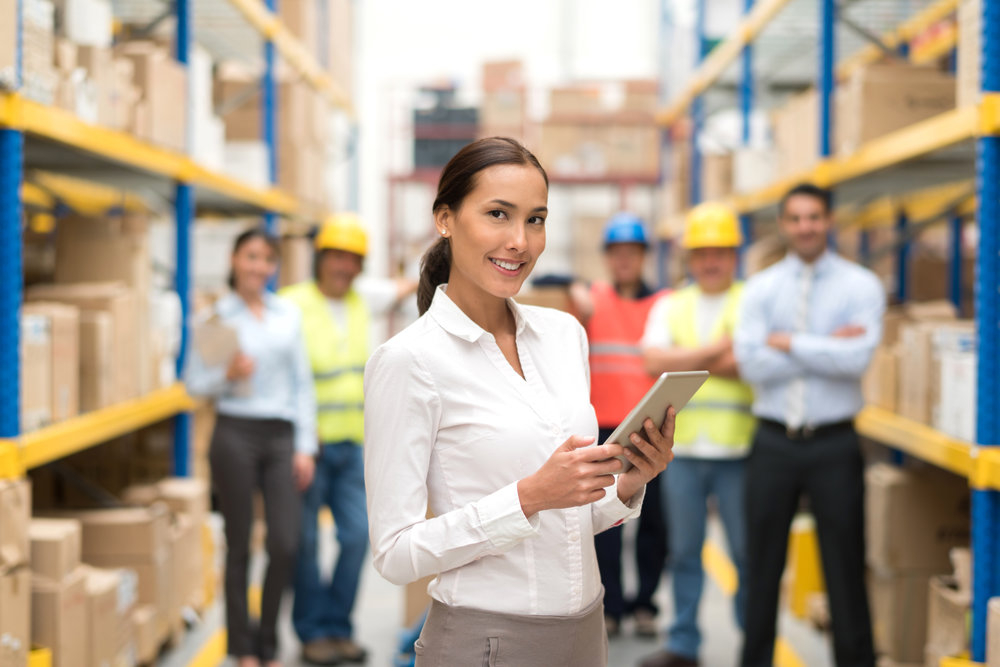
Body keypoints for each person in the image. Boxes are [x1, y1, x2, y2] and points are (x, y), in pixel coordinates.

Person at [363, 137, 676, 667]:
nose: (520, 241)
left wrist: (627, 482)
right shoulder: (410, 361)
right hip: (484, 642)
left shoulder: (563, 335)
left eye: (535, 219)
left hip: (585, 633)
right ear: (445, 219)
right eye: (498, 214)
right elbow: (395, 553)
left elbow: (565, 518)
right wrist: (528, 497)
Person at [734, 184, 883, 667]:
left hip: (835, 444)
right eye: (796, 218)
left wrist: (789, 342)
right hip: (774, 442)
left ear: (830, 220)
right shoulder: (761, 289)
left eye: (814, 217)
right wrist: (824, 345)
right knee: (762, 568)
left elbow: (856, 360)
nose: (805, 226)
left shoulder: (861, 286)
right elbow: (751, 363)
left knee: (844, 566)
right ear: (783, 224)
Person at [281, 214, 415, 666]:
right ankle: (313, 632)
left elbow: (407, 285)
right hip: (305, 448)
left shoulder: (364, 300)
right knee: (304, 544)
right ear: (320, 258)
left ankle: (338, 627)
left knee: (358, 536)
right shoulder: (290, 305)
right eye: (336, 256)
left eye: (352, 259)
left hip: (353, 447)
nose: (343, 266)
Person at [186, 228, 316, 667]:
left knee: (285, 543)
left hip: (280, 435)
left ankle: (268, 643)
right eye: (251, 257)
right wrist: (227, 372)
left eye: (266, 259)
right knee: (238, 543)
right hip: (234, 432)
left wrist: (305, 446)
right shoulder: (215, 319)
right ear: (234, 259)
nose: (258, 266)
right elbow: (192, 385)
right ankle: (243, 649)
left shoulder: (287, 315)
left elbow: (302, 384)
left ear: (274, 266)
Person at [638, 203, 755, 667]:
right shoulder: (672, 304)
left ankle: (754, 643)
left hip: (740, 448)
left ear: (734, 255)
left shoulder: (752, 300)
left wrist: (684, 358)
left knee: (748, 555)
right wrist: (717, 351)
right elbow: (651, 361)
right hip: (680, 452)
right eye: (703, 252)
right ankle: (684, 643)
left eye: (720, 252)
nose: (711, 261)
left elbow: (752, 364)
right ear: (690, 257)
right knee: (684, 551)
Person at [568, 212, 668, 639]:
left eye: (632, 252)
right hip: (605, 426)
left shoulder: (662, 304)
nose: (624, 260)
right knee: (605, 522)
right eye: (617, 252)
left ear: (643, 256)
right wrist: (571, 288)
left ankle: (645, 603)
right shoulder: (592, 297)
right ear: (608, 257)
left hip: (648, 428)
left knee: (654, 522)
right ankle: (610, 605)